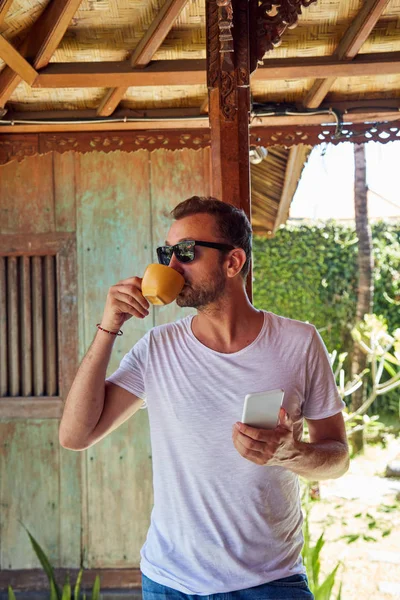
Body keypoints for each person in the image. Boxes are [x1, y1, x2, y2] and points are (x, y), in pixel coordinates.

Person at [59, 196, 349, 600]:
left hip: (269, 583)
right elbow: (76, 435)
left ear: (233, 263)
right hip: (169, 583)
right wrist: (108, 327)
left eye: (186, 252)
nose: (170, 267)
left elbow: (337, 458)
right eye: (166, 254)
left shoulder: (299, 343)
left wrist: (289, 453)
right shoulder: (157, 348)